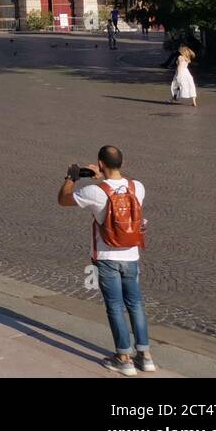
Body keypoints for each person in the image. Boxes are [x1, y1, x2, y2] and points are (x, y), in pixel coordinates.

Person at [58, 145, 153, 375]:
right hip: (131, 255)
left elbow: (63, 200)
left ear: (100, 164)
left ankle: (124, 358)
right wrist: (103, 176)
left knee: (115, 306)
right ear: (122, 161)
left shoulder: (94, 192)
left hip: (106, 256)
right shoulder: (137, 187)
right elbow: (117, 187)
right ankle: (146, 356)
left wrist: (71, 178)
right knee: (136, 304)